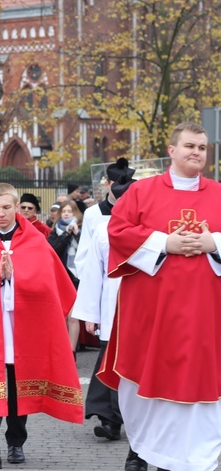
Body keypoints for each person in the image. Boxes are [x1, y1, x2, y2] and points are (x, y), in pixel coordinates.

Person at [100, 122, 221, 471]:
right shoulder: (141, 192)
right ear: (172, 150)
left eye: (202, 147)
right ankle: (157, 453)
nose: (196, 152)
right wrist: (164, 243)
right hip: (153, 314)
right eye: (189, 146)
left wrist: (213, 243)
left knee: (203, 382)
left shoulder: (218, 192)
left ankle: (199, 459)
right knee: (152, 380)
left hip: (206, 315)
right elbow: (118, 232)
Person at [0, 183, 83, 470]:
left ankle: (15, 442)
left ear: (15, 207)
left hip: (23, 327)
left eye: (6, 207)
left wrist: (17, 278)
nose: (0, 213)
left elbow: (49, 285)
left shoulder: (35, 241)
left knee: (15, 388)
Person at [71, 175, 135, 445]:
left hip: (138, 304)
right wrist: (89, 314)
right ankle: (109, 419)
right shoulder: (101, 228)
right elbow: (92, 272)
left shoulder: (151, 228)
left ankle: (130, 419)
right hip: (110, 301)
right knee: (110, 359)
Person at [73, 158, 135, 279]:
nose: (121, 190)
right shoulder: (92, 213)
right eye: (116, 185)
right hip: (102, 278)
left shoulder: (137, 212)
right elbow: (84, 253)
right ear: (107, 184)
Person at [47, 200, 83, 358]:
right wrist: (67, 235)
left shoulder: (82, 230)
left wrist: (77, 234)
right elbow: (53, 251)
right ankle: (60, 350)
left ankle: (71, 351)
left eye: (70, 211)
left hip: (76, 276)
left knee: (73, 316)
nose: (67, 214)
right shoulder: (55, 232)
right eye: (64, 211)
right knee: (61, 315)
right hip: (60, 276)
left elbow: (86, 251)